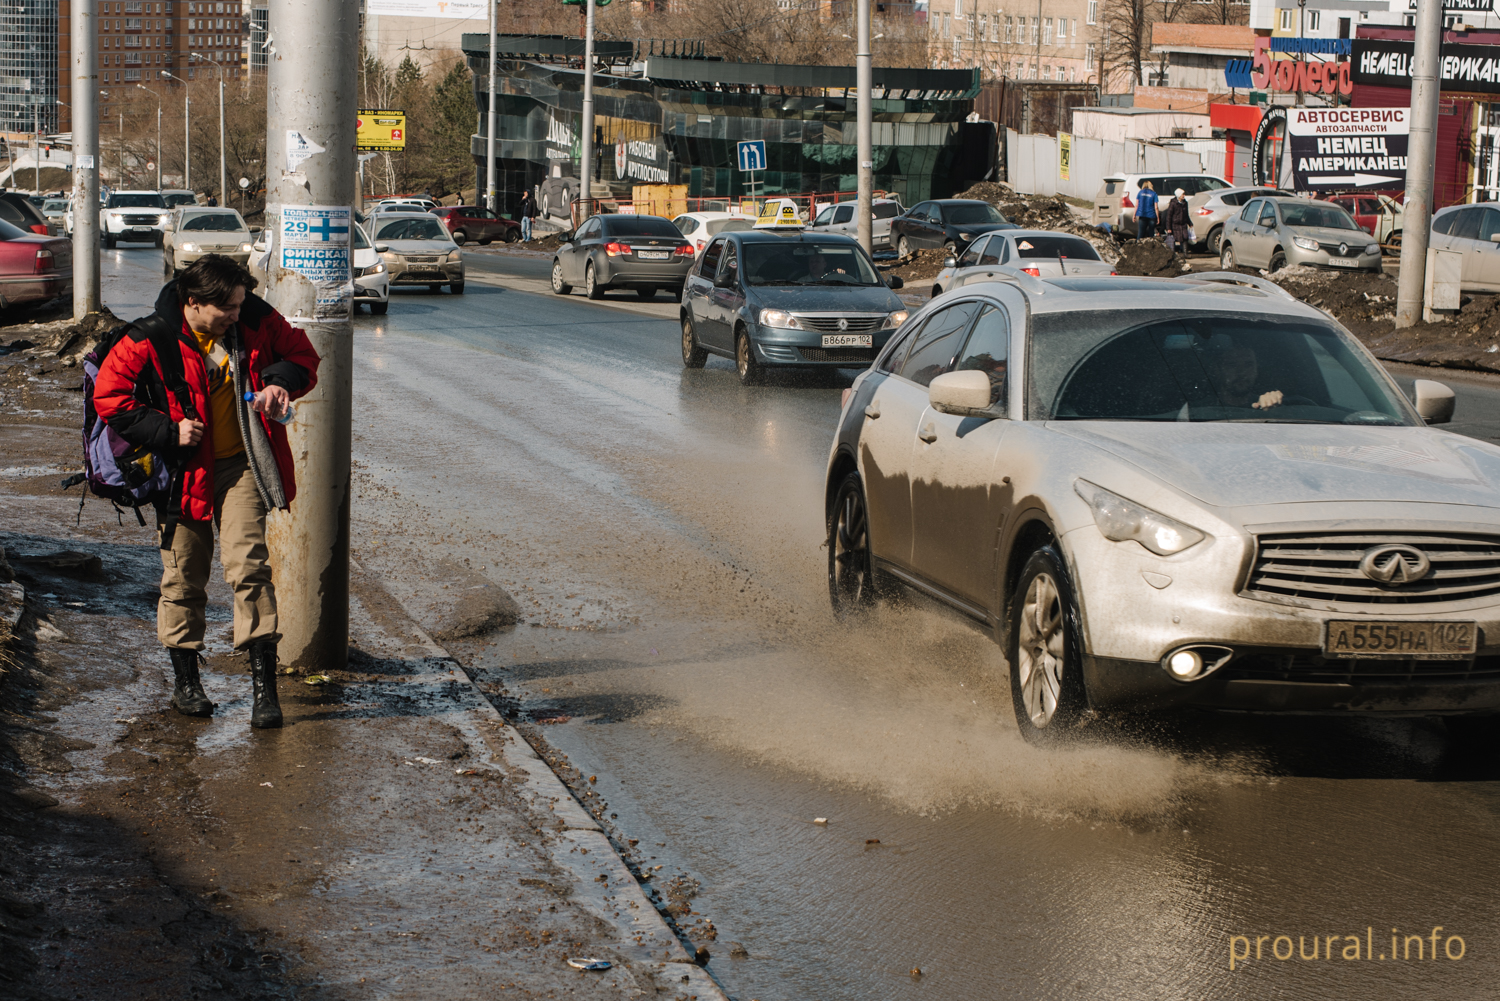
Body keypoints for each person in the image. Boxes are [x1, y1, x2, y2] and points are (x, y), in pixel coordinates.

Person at [94, 255, 321, 729]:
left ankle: (264, 690)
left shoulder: (255, 318)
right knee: (183, 576)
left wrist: (280, 383)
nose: (239, 314)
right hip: (182, 473)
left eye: (241, 304)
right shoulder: (150, 335)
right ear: (194, 303)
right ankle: (187, 684)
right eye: (229, 308)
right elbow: (110, 396)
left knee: (249, 567)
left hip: (240, 466)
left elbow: (304, 356)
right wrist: (165, 431)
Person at [1162, 188, 1191, 256]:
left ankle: (1185, 253)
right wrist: (1168, 227)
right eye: (1182, 194)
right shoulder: (1173, 203)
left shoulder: (1185, 203)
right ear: (1178, 195)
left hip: (1183, 224)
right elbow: (1169, 216)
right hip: (1175, 224)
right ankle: (1173, 253)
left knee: (1185, 237)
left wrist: (1190, 223)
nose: (1184, 196)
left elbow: (1186, 214)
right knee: (1175, 239)